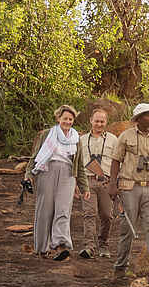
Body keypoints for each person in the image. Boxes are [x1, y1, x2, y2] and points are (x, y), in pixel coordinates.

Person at [109, 102, 149, 281]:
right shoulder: (125, 136)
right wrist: (112, 184)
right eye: (147, 115)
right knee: (127, 229)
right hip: (129, 187)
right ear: (138, 119)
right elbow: (115, 160)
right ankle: (120, 269)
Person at [29, 105, 87, 260]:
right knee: (45, 210)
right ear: (58, 118)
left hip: (68, 175)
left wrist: (83, 186)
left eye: (70, 119)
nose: (67, 121)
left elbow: (79, 164)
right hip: (47, 171)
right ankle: (42, 248)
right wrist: (28, 175)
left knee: (63, 210)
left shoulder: (76, 138)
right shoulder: (47, 134)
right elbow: (34, 156)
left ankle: (61, 245)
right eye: (65, 118)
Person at [78, 107, 120, 259]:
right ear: (91, 121)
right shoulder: (81, 140)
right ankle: (89, 246)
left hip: (106, 182)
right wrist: (77, 184)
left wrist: (116, 183)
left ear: (106, 122)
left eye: (102, 121)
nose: (99, 124)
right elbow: (76, 163)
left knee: (107, 215)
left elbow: (118, 162)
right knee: (89, 214)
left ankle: (103, 244)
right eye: (96, 121)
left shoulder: (113, 139)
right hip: (87, 181)